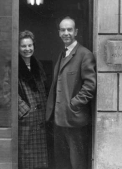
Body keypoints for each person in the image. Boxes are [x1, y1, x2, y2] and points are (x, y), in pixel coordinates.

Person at [46, 16, 96, 169]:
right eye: (63, 30)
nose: (66, 33)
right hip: (59, 119)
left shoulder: (84, 54)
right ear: (59, 33)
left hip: (75, 119)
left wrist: (73, 104)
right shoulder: (62, 54)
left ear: (76, 32)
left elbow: (90, 85)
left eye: (69, 29)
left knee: (77, 162)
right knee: (62, 161)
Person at [18, 30, 49, 169]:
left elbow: (44, 88)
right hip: (26, 121)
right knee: (27, 157)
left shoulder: (38, 65)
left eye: (30, 45)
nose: (27, 49)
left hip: (40, 119)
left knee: (40, 158)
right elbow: (7, 93)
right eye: (23, 46)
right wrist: (25, 112)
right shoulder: (12, 66)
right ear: (18, 47)